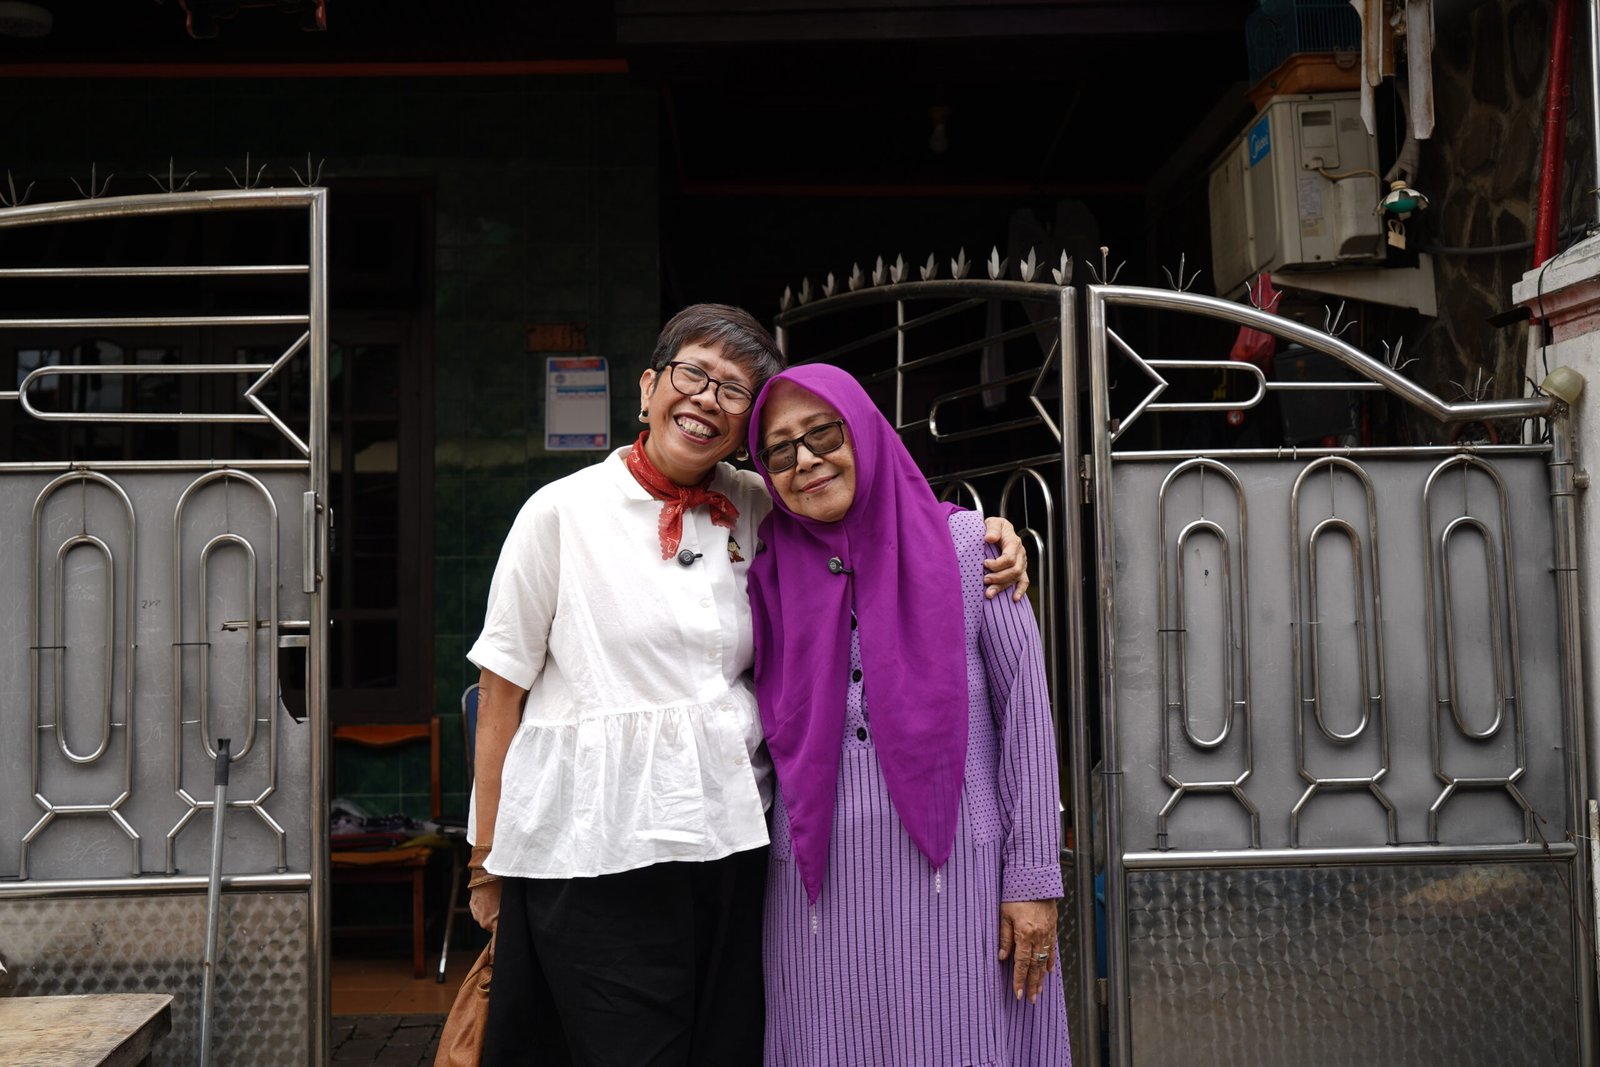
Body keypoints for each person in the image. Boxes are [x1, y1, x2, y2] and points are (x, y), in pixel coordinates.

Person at [464, 304, 1030, 1067]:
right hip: (596, 853)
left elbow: (874, 511)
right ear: (648, 387)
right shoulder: (559, 513)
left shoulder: (761, 505)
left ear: (742, 429)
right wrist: (485, 862)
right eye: (692, 374)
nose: (706, 398)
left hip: (732, 851)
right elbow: (500, 695)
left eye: (732, 390)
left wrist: (980, 531)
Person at [747, 363, 1071, 1066]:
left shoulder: (972, 550)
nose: (806, 460)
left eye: (822, 433)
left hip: (965, 882)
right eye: (780, 450)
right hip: (814, 892)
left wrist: (1033, 878)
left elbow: (1027, 719)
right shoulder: (762, 573)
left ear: (864, 430)